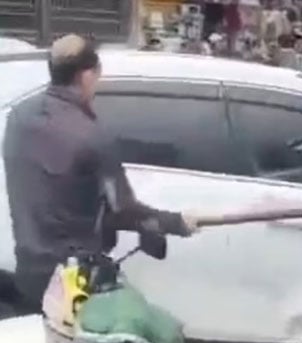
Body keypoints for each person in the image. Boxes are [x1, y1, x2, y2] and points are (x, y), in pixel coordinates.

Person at [2, 34, 198, 314]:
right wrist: (176, 222)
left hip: (28, 270)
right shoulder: (91, 136)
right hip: (73, 279)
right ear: (86, 75)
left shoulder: (18, 117)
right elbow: (123, 209)